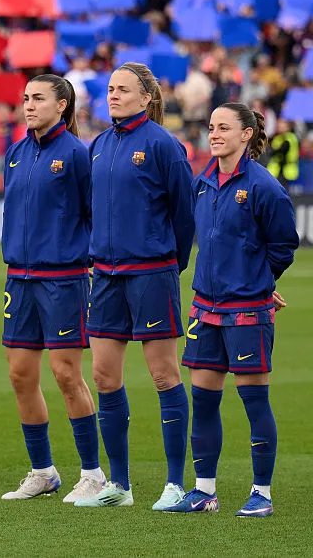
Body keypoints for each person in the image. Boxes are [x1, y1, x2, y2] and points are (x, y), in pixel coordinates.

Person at [167, 103, 299, 517]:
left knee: (254, 403)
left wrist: (260, 280)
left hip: (246, 311)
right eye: (211, 127)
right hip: (204, 307)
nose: (214, 134)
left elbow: (284, 246)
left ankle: (262, 493)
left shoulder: (264, 187)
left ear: (246, 134)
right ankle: (205, 491)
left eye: (224, 127)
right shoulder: (202, 182)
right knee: (203, 401)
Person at [75, 63, 196, 510]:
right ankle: (120, 485)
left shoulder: (165, 145)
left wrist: (170, 263)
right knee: (104, 376)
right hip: (105, 275)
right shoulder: (100, 145)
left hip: (151, 272)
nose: (113, 95)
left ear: (147, 97)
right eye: (109, 89)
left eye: (122, 90)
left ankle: (174, 483)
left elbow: (185, 215)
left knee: (164, 374)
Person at [0, 75, 106, 502]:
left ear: (62, 106)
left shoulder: (78, 155)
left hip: (63, 279)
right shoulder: (16, 153)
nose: (28, 105)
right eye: (25, 98)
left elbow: (95, 215)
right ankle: (43, 471)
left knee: (66, 375)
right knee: (20, 375)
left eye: (38, 98)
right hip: (18, 279)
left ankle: (94, 474)